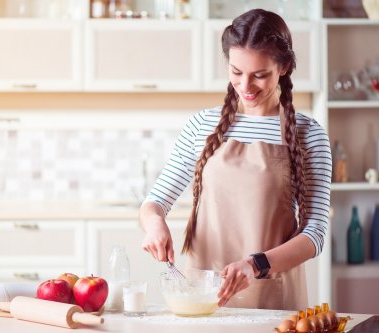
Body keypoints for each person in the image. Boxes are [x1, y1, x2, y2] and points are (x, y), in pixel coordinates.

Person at [139, 8, 332, 310]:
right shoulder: (202, 124)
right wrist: (154, 224)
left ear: (283, 67)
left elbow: (315, 233)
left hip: (272, 298)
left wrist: (256, 265)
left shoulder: (309, 134)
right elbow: (155, 201)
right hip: (203, 296)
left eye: (259, 75)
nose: (245, 86)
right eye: (236, 72)